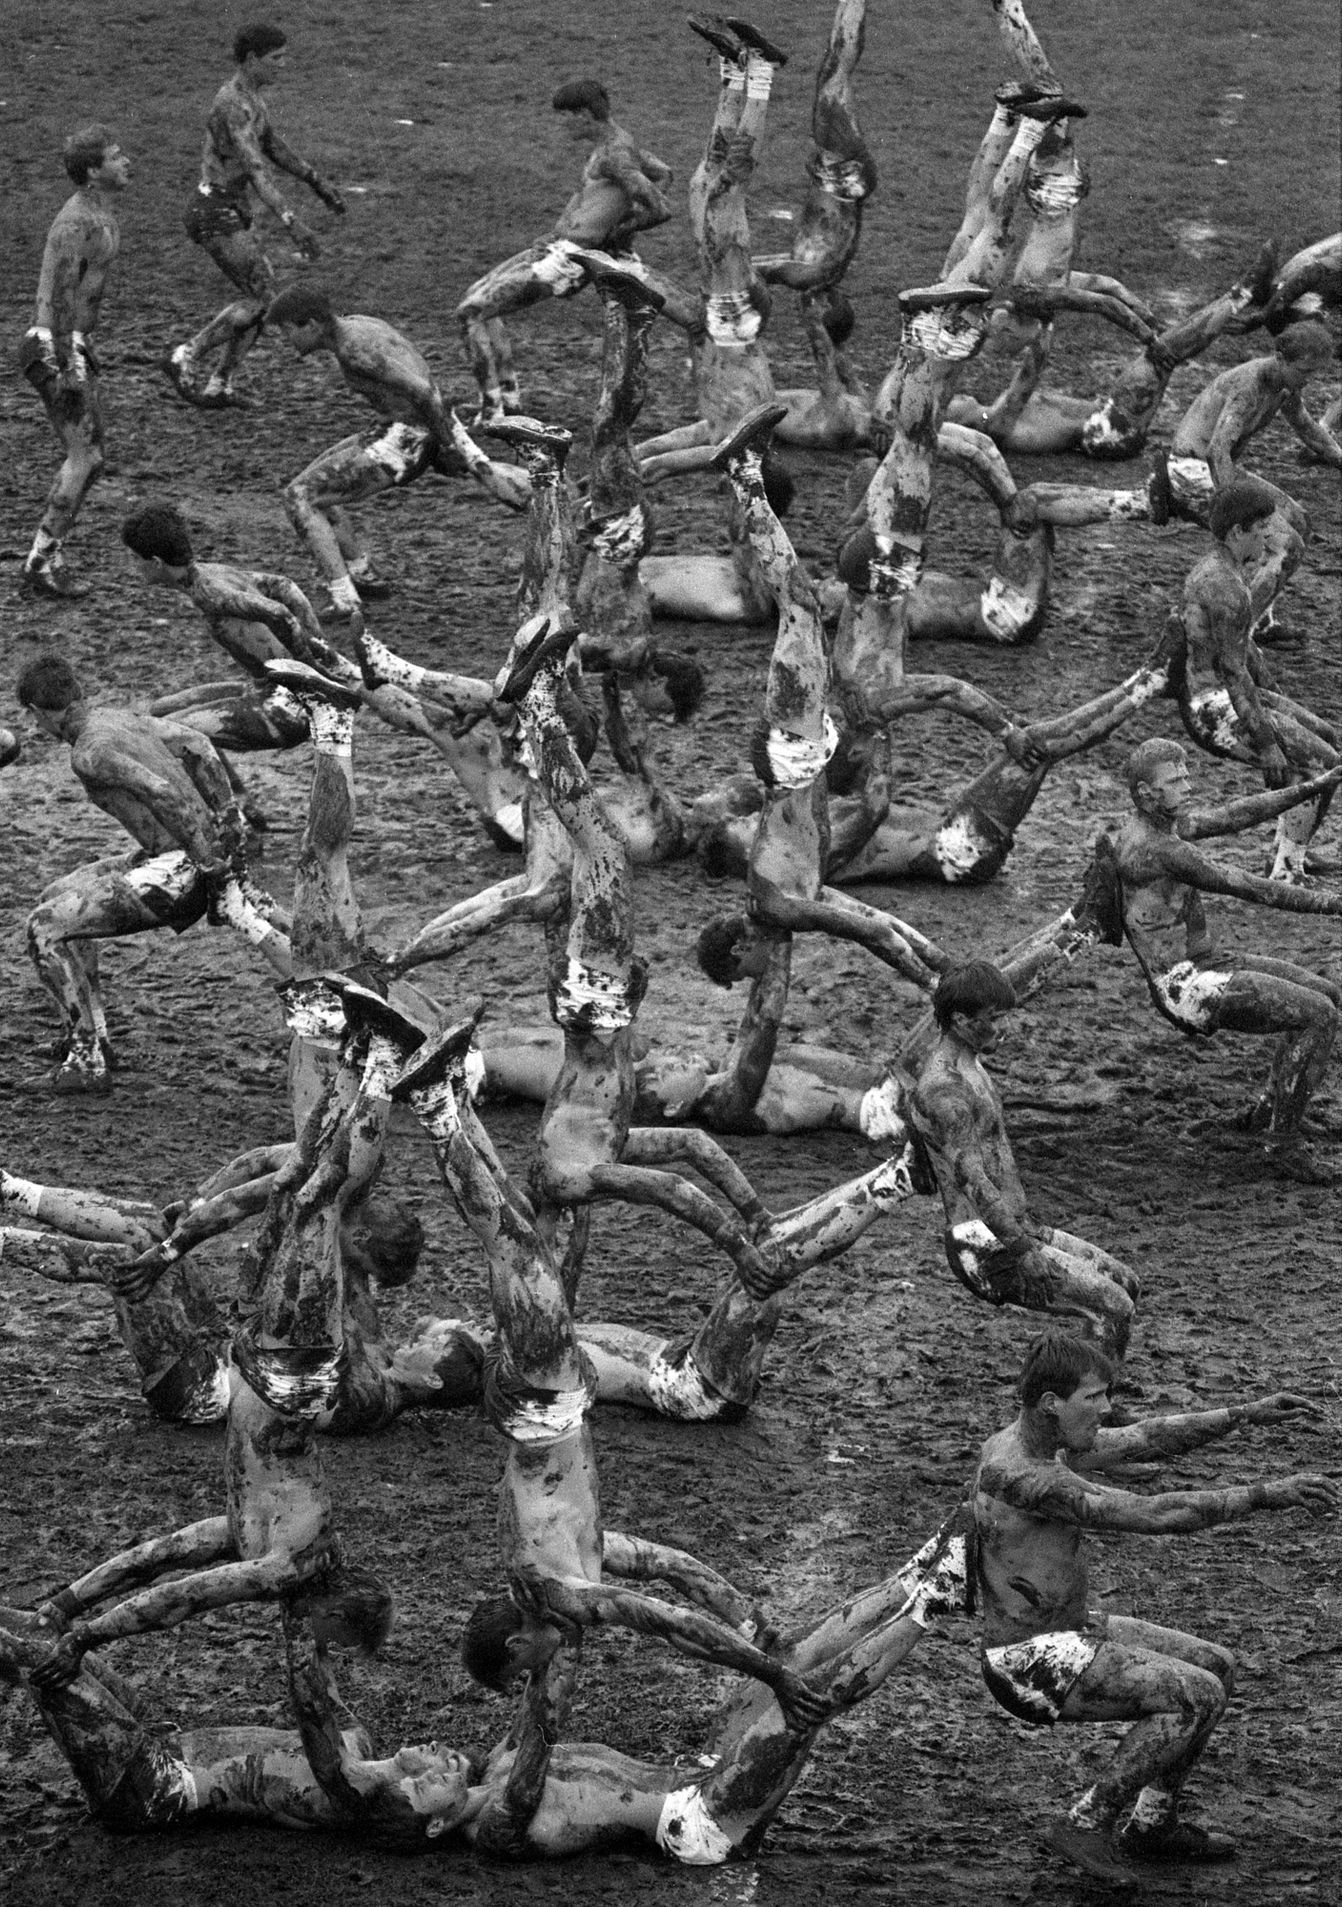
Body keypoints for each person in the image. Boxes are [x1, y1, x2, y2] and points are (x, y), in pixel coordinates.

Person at [0, 1517, 965, 1858]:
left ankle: (918, 1572)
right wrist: (553, 1669)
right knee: (807, 1698)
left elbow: (317, 1699)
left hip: (154, 1777)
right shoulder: (488, 1820)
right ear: (421, 1817)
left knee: (52, 1651)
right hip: (697, 1817)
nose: (426, 1752)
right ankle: (933, 1600)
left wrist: (310, 1619)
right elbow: (536, 1750)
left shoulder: (387, 1773)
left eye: (418, 1762)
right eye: (423, 1772)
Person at [974, 1331, 1338, 1883]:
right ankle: (1086, 1820)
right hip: (1030, 1660)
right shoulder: (1022, 1476)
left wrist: (1245, 1413)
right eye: (1093, 1397)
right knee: (1196, 1696)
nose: (1106, 1408)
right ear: (1052, 1403)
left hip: (1072, 1630)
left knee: (1216, 1665)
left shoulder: (1042, 1442)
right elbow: (1155, 1515)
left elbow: (1144, 1439)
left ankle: (1153, 1823)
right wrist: (1267, 1494)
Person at [17, 655, 291, 1095]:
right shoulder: (118, 719)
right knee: (59, 893)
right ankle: (95, 1039)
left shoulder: (90, 752)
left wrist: (206, 861)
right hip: (179, 855)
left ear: (41, 711)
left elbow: (160, 791)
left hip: (179, 870)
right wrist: (229, 824)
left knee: (42, 929)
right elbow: (199, 745)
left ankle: (86, 1061)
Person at [1103, 738, 1342, 1166]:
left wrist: (1313, 786)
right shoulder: (1160, 850)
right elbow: (1250, 886)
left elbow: (1237, 814)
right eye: (1175, 781)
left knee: (1328, 996)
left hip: (1204, 965)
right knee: (1318, 1015)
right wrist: (1331, 903)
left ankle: (1270, 1113)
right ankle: (1281, 1147)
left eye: (1186, 775)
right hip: (1186, 986)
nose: (1188, 785)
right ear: (1146, 793)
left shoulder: (1157, 828)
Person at [906, 964, 1138, 1357]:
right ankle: (1090, 1408)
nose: (1005, 1028)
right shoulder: (946, 1090)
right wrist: (1023, 1252)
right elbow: (972, 1179)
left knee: (1126, 1283)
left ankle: (1078, 1385)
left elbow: (920, 1136)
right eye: (995, 1019)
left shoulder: (968, 1064)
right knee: (1115, 1307)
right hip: (986, 1244)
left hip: (1016, 1228)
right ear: (961, 1020)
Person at [265, 286, 530, 620]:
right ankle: (362, 575)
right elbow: (422, 383)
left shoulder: (353, 351)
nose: (287, 340)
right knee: (483, 471)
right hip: (418, 424)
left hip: (407, 436)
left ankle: (345, 598)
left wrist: (444, 444)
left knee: (300, 496)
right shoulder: (361, 324)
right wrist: (451, 437)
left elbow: (420, 391)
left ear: (313, 324)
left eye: (288, 330)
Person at [455, 79, 699, 421]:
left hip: (570, 259)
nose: (560, 124)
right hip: (564, 246)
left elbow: (661, 208)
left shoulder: (615, 154)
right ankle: (507, 404)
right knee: (473, 301)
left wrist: (614, 231)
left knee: (471, 314)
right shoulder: (616, 144)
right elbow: (664, 173)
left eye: (564, 116)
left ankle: (493, 410)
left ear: (584, 115)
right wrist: (595, 223)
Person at [945, 244, 1279, 458]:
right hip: (1110, 430)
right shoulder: (999, 422)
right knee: (1165, 353)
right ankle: (1243, 293)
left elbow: (1102, 287)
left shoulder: (995, 412)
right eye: (952, 405)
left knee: (1168, 349)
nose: (955, 397)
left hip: (1109, 420)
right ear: (961, 421)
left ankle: (1239, 299)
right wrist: (1043, 326)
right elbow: (1032, 369)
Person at [165, 23, 345, 409]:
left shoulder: (251, 99)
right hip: (216, 210)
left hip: (224, 208)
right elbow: (256, 168)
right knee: (265, 300)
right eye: (276, 59)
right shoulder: (233, 105)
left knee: (262, 298)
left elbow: (272, 145)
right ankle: (188, 355)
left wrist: (315, 181)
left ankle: (219, 383)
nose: (284, 65)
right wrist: (292, 222)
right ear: (251, 60)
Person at [1173, 479, 1337, 882]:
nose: (1269, 537)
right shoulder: (1228, 588)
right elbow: (1234, 672)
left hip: (1217, 696)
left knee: (1327, 735)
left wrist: (1278, 706)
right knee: (1324, 766)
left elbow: (1243, 654)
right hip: (1213, 708)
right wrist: (1267, 743)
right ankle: (1286, 868)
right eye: (1261, 528)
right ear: (1236, 533)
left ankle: (1288, 851)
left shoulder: (1219, 572)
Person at [18, 125, 130, 600]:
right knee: (84, 457)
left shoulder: (99, 212)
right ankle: (40, 561)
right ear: (92, 171)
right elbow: (62, 296)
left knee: (93, 459)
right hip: (52, 346)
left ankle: (49, 550)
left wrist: (81, 345)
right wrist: (68, 361)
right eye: (115, 156)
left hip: (68, 343)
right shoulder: (75, 222)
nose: (126, 161)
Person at [1162, 321, 1341, 522]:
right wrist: (1234, 509)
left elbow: (1307, 429)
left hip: (1216, 468)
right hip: (1190, 468)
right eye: (1305, 371)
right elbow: (1217, 451)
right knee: (1273, 530)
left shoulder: (1286, 383)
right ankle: (1171, 495)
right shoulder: (1249, 387)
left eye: (1315, 372)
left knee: (1299, 520)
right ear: (1281, 359)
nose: (1310, 379)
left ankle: (1166, 496)